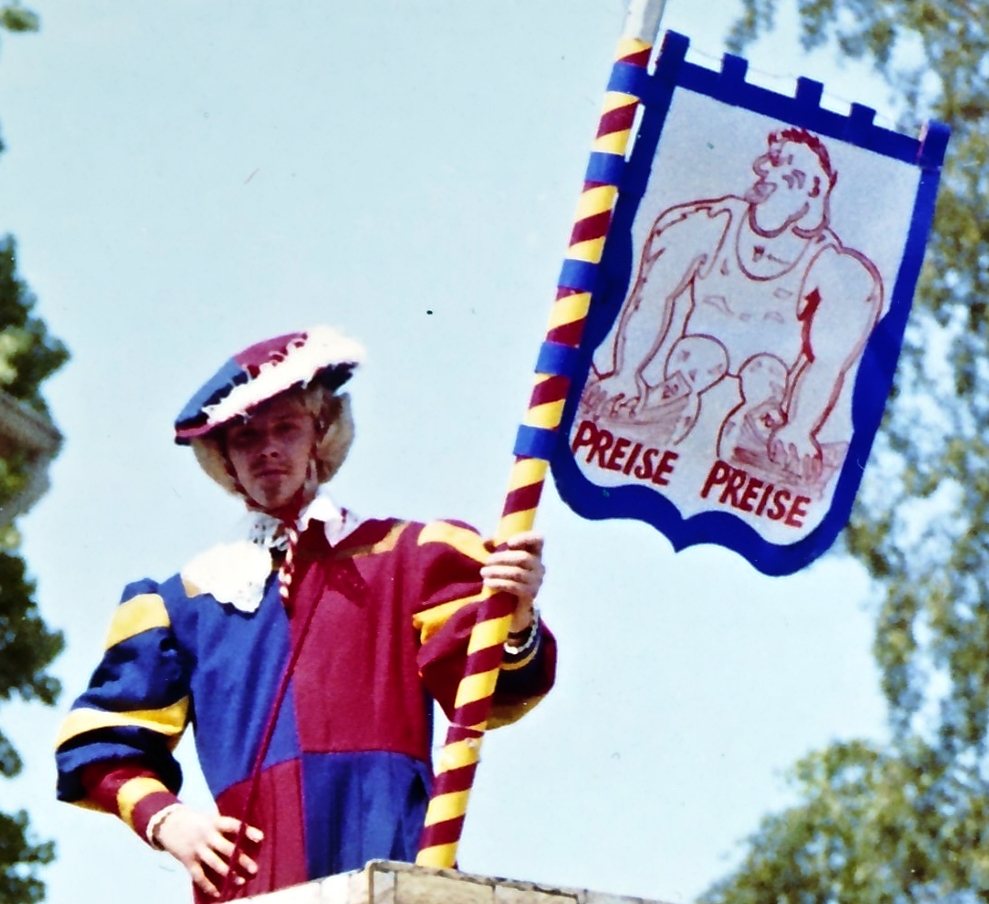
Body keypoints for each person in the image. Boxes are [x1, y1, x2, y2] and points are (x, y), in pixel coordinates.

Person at [55, 326, 556, 901]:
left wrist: (514, 619)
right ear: (224, 459)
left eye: (285, 427)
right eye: (245, 436)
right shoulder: (183, 604)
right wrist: (171, 823)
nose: (267, 448)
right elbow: (99, 744)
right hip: (256, 879)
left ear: (320, 434)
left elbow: (482, 697)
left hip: (392, 854)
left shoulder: (411, 557)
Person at [587, 126, 883, 486]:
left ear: (814, 189)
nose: (766, 170)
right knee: (698, 357)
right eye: (770, 162)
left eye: (785, 166)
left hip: (769, 366)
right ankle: (663, 407)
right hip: (698, 349)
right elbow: (652, 296)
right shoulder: (708, 223)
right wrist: (627, 372)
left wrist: (801, 428)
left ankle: (762, 431)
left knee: (765, 375)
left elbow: (828, 361)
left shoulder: (837, 270)